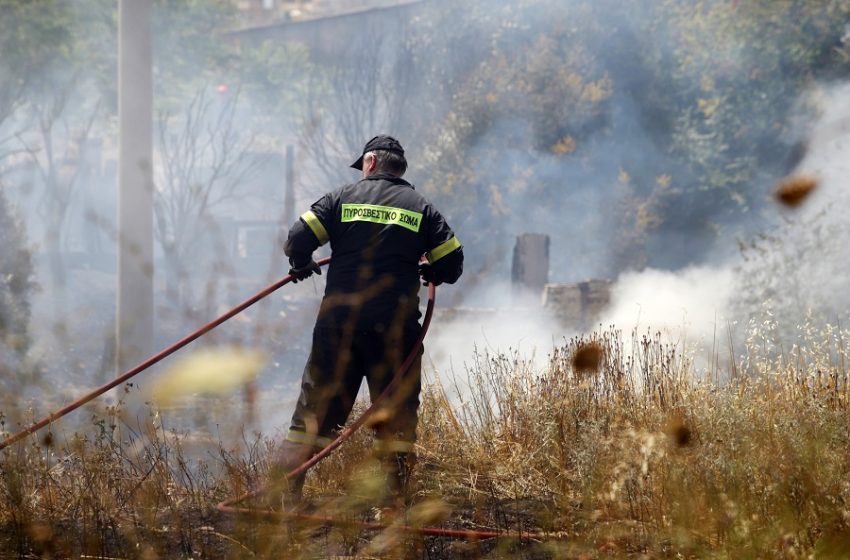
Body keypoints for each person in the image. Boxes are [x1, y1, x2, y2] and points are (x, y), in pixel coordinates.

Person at [270, 135, 463, 508]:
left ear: (370, 161)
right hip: (395, 333)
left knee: (313, 416)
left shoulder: (340, 199)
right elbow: (452, 263)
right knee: (396, 421)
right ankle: (393, 509)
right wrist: (430, 270)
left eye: (363, 166)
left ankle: (281, 502)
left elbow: (297, 238)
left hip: (337, 328)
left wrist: (301, 264)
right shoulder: (422, 208)